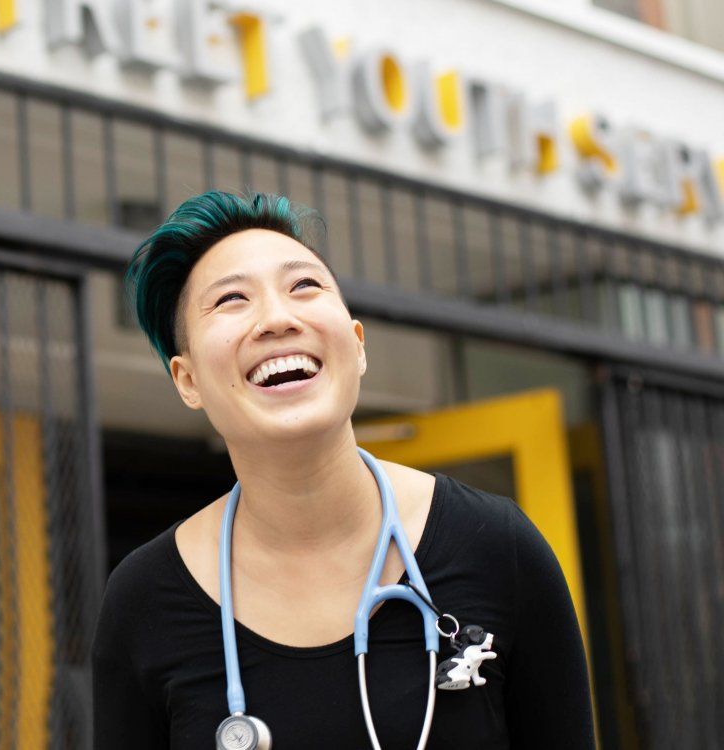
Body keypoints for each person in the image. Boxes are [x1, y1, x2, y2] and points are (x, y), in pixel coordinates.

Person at [90, 190, 595, 748]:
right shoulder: (143, 601)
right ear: (187, 381)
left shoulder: (498, 545)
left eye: (304, 286)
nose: (277, 319)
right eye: (231, 299)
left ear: (357, 345)